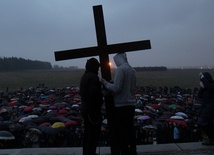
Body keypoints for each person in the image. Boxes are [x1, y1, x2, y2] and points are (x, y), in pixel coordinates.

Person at [101, 52, 137, 155]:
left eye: (116, 61)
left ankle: (124, 151)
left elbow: (117, 88)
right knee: (130, 129)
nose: (116, 63)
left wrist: (105, 83)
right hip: (131, 104)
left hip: (121, 105)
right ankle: (133, 151)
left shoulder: (121, 69)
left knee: (122, 131)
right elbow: (132, 88)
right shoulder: (132, 70)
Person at [80, 58, 103, 155]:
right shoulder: (93, 77)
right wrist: (102, 94)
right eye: (97, 68)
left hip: (86, 109)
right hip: (92, 111)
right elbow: (94, 94)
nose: (98, 70)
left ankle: (87, 152)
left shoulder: (85, 76)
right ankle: (91, 153)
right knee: (93, 134)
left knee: (87, 134)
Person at [197, 72, 214, 145]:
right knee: (208, 124)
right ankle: (212, 138)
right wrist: (202, 87)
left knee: (201, 122)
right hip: (206, 108)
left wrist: (203, 78)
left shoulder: (212, 85)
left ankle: (212, 138)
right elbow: (199, 95)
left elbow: (210, 88)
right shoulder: (206, 87)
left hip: (211, 108)